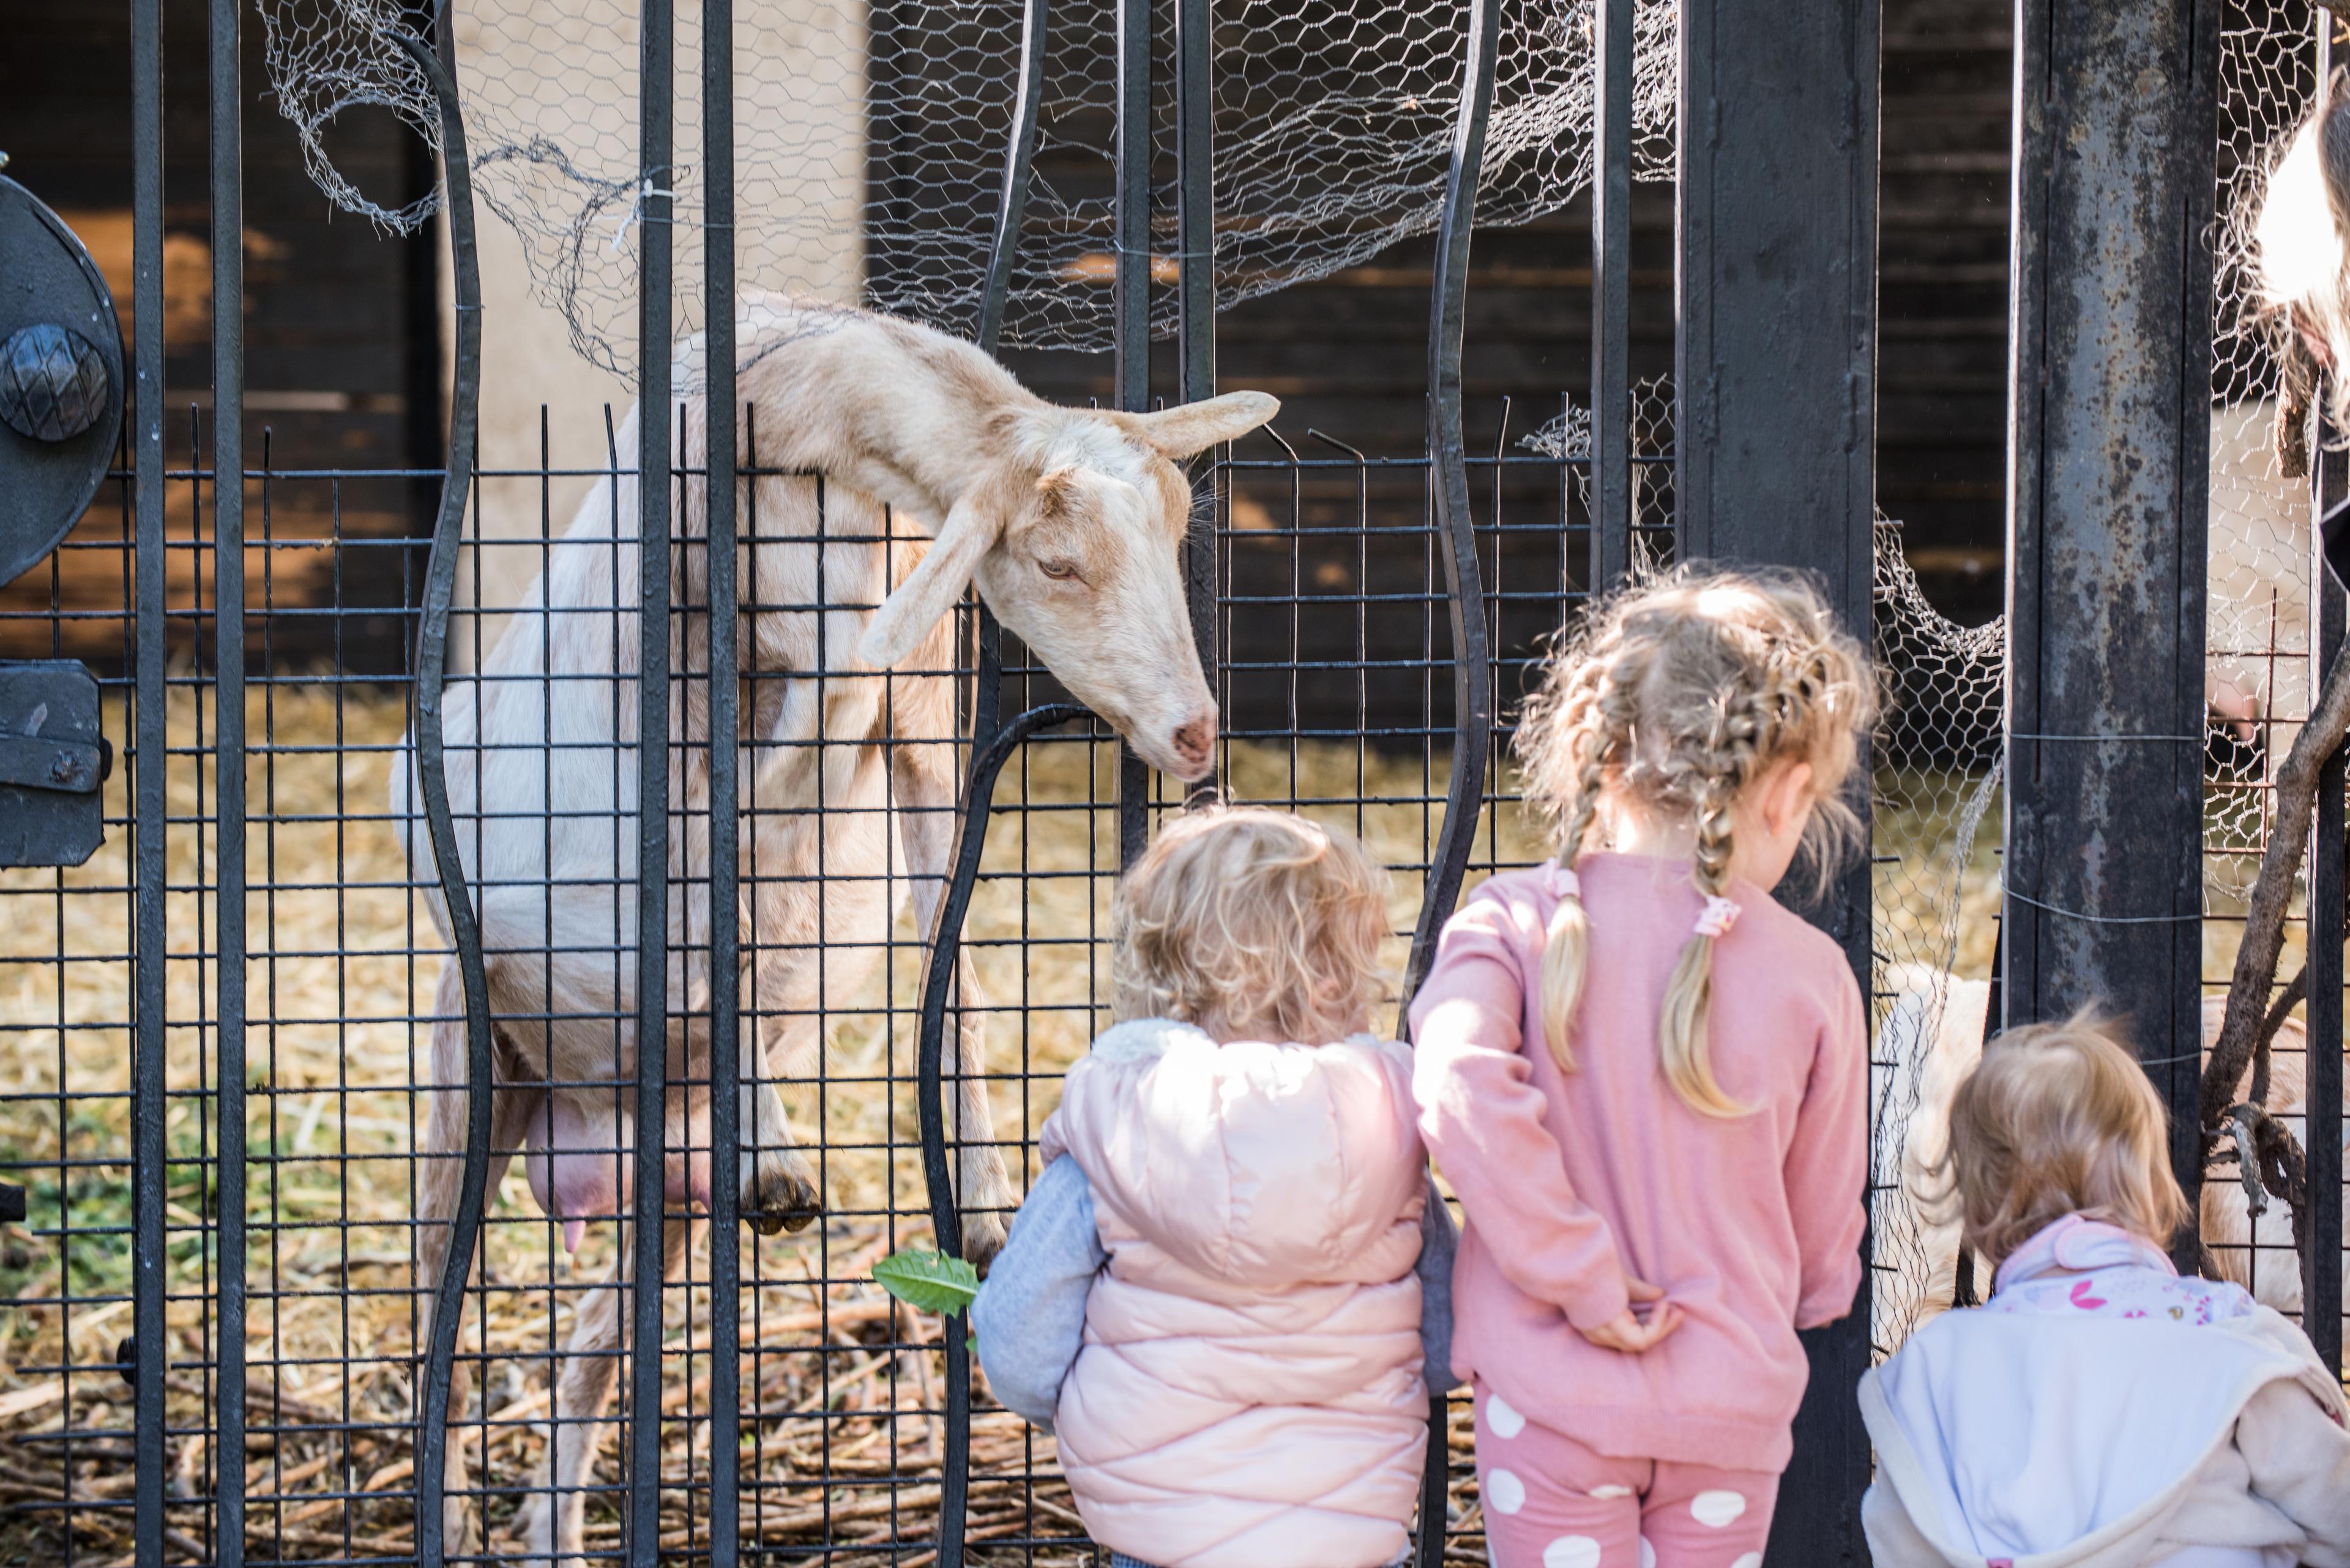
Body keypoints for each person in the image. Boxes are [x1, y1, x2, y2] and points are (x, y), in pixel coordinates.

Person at [1410, 564, 1878, 1568]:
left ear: (1600, 749)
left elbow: (1454, 1087)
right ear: (1789, 791)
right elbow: (1825, 1213)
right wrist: (1821, 1286)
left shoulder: (1509, 921)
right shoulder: (1816, 975)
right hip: (1728, 1408)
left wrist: (1574, 1271)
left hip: (1550, 1398)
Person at [971, 805, 1458, 1568]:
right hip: (1353, 1538)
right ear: (1341, 972)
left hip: (1159, 1536)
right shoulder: (1390, 1136)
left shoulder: (1119, 1127)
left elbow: (1016, 1345)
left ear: (1161, 964)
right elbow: (1443, 1344)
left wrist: (1092, 1407)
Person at [1860, 1010, 2350, 1568]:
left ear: (1976, 1212)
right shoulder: (2226, 1334)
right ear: (2152, 1184)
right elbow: (2331, 1500)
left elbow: (1901, 1538)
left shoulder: (1937, 1365)